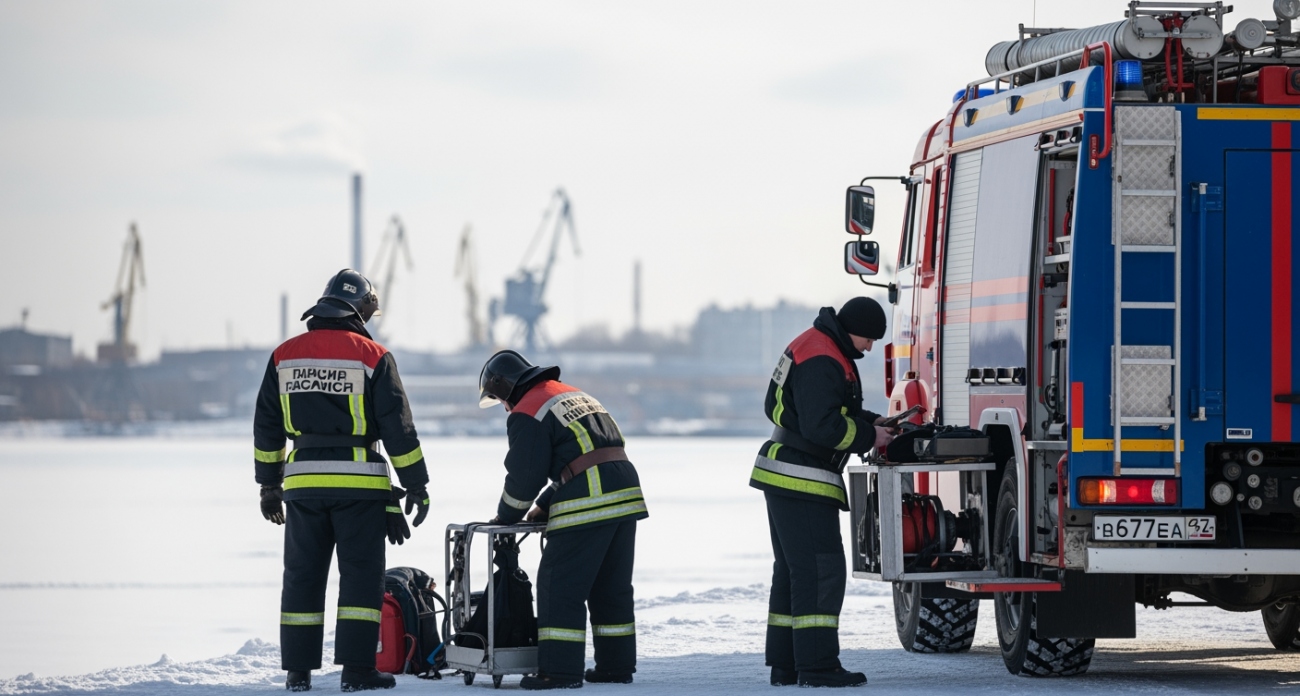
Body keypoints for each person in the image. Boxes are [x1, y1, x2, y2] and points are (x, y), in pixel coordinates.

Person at [253, 269, 431, 693]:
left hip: (302, 485)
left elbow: (267, 426)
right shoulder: (372, 355)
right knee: (361, 578)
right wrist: (417, 484)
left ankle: (298, 673)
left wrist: (268, 485)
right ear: (361, 308)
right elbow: (398, 431)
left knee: (302, 576)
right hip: (359, 487)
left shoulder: (284, 355)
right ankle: (356, 671)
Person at [478, 350, 648, 690]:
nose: (505, 408)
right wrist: (545, 504)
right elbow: (582, 455)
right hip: (624, 491)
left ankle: (559, 672)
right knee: (610, 588)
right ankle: (616, 667)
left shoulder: (528, 409)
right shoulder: (571, 394)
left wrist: (506, 516)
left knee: (560, 587)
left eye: (500, 400)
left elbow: (525, 475)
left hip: (590, 497)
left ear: (505, 388)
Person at [749, 297, 895, 688]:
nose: (869, 348)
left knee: (796, 573)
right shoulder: (823, 358)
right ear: (854, 329)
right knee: (821, 571)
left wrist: (872, 421)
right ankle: (817, 666)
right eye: (869, 339)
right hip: (803, 476)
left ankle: (788, 664)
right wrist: (870, 435)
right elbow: (822, 426)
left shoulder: (816, 345)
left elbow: (819, 411)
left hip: (786, 471)